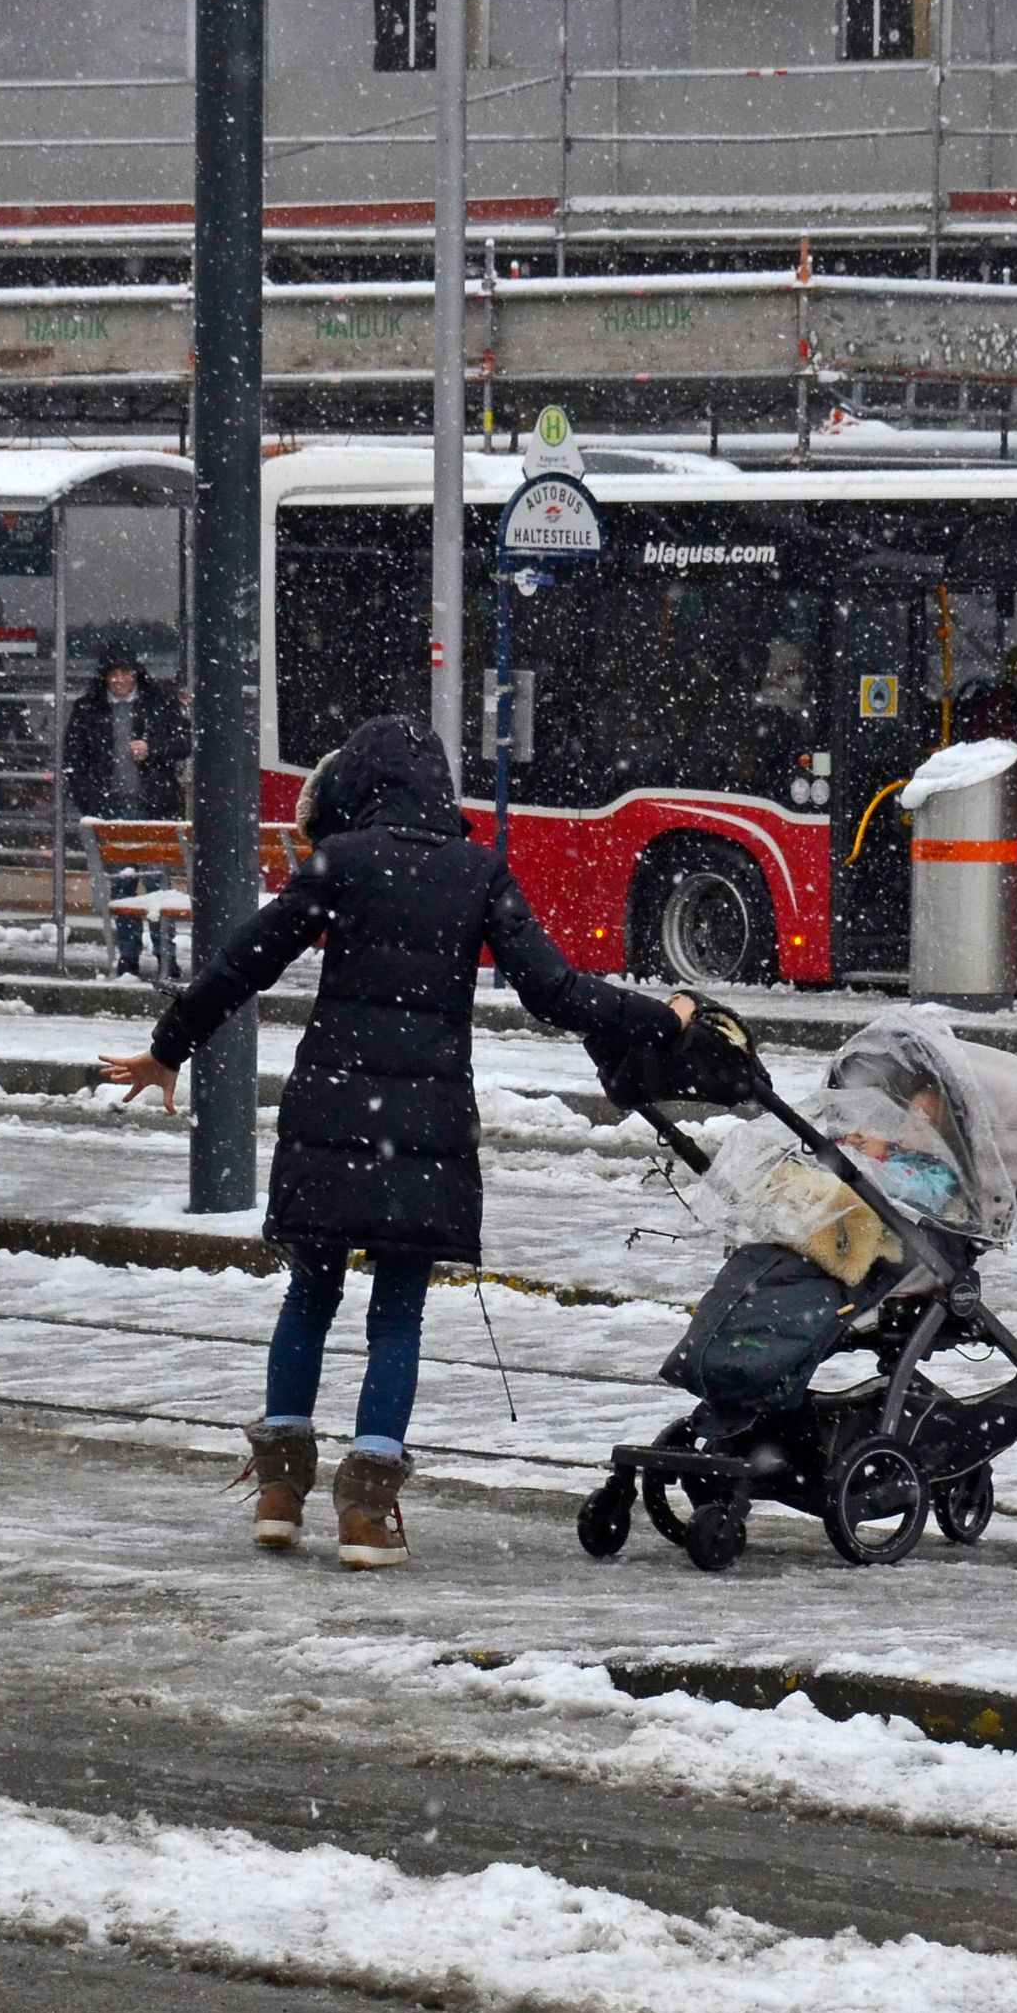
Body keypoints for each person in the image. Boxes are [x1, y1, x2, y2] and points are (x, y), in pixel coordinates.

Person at [100, 716, 687, 1570]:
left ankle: (277, 1494)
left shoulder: (342, 862)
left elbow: (243, 961)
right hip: (425, 1126)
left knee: (309, 1295)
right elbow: (553, 990)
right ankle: (367, 1515)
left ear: (360, 788)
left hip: (332, 1108)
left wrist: (167, 1049)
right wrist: (656, 1018)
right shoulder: (477, 868)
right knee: (397, 1316)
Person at [65, 651, 191, 975]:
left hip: (153, 807)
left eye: (126, 673)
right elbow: (75, 763)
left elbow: (184, 742)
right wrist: (95, 803)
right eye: (114, 674)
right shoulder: (89, 710)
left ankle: (164, 955)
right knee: (125, 885)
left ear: (136, 674)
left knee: (154, 885)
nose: (120, 680)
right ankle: (130, 957)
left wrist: (153, 749)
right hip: (116, 809)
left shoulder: (157, 702)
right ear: (105, 677)